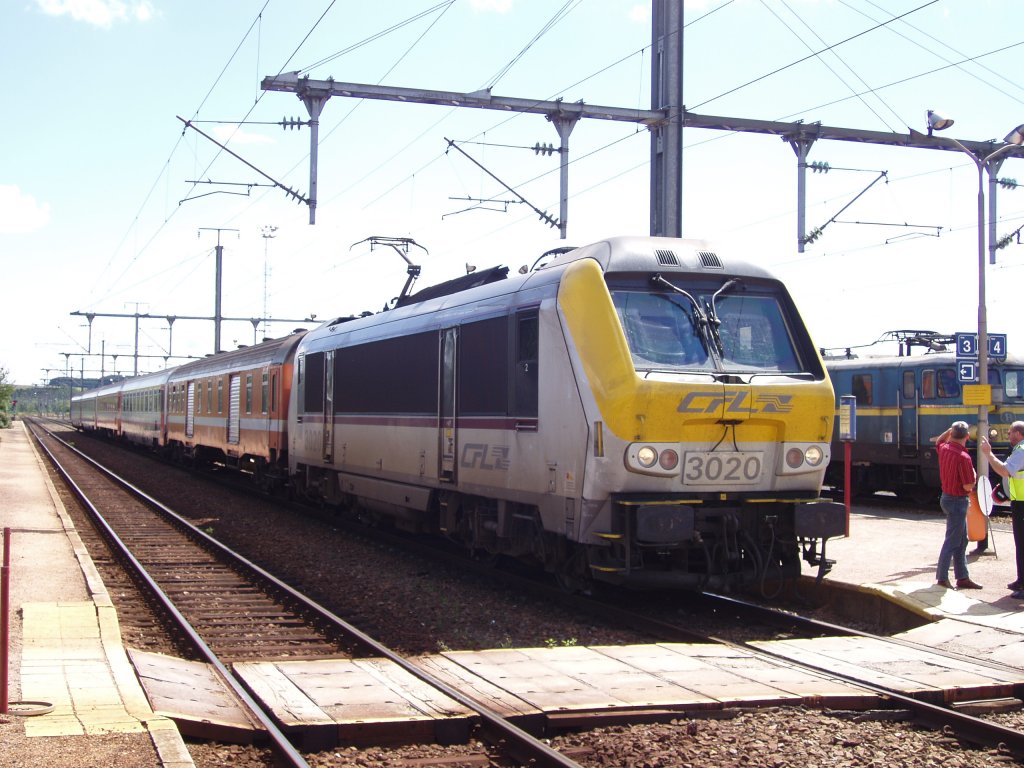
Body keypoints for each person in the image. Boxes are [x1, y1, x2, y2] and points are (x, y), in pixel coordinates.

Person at [934, 421, 982, 590]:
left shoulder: (945, 449)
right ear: (967, 437)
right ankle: (941, 578)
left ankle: (962, 577)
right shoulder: (964, 457)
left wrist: (949, 430)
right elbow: (968, 486)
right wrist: (975, 475)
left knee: (961, 541)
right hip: (957, 501)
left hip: (947, 498)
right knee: (953, 541)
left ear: (952, 434)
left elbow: (938, 442)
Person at [981, 421, 1024, 598]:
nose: (1007, 435)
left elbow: (1005, 470)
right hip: (1019, 501)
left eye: (1010, 432)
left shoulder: (1021, 450)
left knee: (1022, 544)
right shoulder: (1019, 450)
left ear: (1019, 434)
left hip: (1023, 503)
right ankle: (1021, 580)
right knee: (1020, 544)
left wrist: (988, 454)